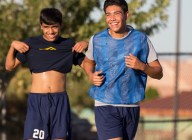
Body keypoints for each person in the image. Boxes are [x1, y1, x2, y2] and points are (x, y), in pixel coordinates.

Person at [83, 0, 163, 140]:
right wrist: (91, 75)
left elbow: (158, 73)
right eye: (108, 14)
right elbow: (88, 61)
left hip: (131, 105)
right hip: (105, 103)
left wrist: (143, 66)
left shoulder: (141, 39)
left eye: (116, 13)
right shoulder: (97, 39)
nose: (112, 18)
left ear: (126, 15)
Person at [5, 8, 88, 140]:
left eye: (54, 27)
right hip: (37, 101)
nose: (50, 31)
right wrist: (12, 46)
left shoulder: (68, 45)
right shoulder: (31, 43)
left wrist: (88, 44)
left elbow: (88, 65)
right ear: (41, 26)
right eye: (46, 27)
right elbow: (9, 66)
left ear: (60, 25)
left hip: (60, 101)